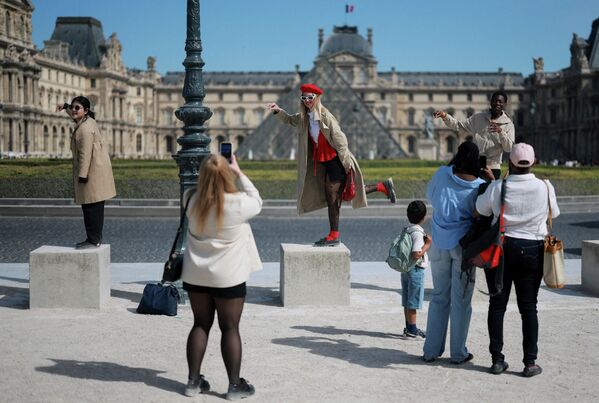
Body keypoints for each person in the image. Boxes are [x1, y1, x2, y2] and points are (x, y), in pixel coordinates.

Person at [266, 83, 396, 246]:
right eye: (304, 97)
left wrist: (347, 164)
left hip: (336, 161)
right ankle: (382, 186)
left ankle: (334, 235)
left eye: (310, 97)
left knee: (332, 197)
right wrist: (277, 110)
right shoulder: (305, 116)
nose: (307, 100)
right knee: (341, 193)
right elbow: (290, 120)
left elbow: (340, 139)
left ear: (317, 98)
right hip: (324, 162)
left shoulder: (325, 116)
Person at [475, 143, 560, 377]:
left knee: (497, 305)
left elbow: (481, 209)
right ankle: (530, 362)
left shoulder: (499, 186)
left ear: (510, 163)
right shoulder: (545, 186)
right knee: (529, 307)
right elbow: (555, 212)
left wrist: (493, 184)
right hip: (533, 249)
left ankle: (497, 360)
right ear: (533, 162)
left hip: (502, 248)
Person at [181, 154, 261, 400]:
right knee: (230, 328)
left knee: (200, 325)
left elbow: (199, 191)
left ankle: (193, 383)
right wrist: (238, 172)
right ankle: (234, 386)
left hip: (196, 275)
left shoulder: (190, 199)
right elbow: (257, 199)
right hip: (229, 277)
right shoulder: (237, 204)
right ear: (226, 174)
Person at [422, 141, 492, 364]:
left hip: (439, 244)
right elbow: (485, 211)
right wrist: (492, 182)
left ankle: (431, 350)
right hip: (463, 248)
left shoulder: (442, 173)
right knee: (461, 302)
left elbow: (431, 196)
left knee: (439, 298)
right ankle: (458, 353)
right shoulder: (480, 185)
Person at [57, 96, 116, 249]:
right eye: (73, 107)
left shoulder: (84, 129)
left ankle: (93, 239)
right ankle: (94, 238)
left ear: (86, 111)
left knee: (91, 207)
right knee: (93, 206)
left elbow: (85, 154)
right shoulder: (87, 121)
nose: (74, 110)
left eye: (78, 108)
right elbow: (75, 114)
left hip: (91, 172)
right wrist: (65, 106)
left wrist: (82, 175)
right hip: (96, 169)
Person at [434, 91, 515, 179]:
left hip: (493, 166)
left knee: (488, 191)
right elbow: (459, 126)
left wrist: (500, 132)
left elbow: (509, 148)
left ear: (505, 104)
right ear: (490, 102)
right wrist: (445, 116)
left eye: (500, 101)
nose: (497, 103)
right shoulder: (478, 118)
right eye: (495, 100)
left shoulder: (508, 124)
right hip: (477, 164)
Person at [401, 200, 432, 339]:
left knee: (407, 299)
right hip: (416, 269)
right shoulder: (418, 233)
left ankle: (408, 327)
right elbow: (416, 253)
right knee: (413, 300)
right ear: (424, 217)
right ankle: (412, 330)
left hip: (406, 268)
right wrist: (427, 244)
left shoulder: (407, 229)